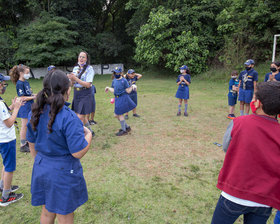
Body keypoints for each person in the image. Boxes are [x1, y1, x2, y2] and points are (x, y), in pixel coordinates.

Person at [26, 70, 92, 223]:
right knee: (64, 214)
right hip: (62, 173)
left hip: (41, 167)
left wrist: (40, 162)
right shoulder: (69, 117)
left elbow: (31, 143)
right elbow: (78, 152)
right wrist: (88, 135)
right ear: (67, 90)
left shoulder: (35, 112)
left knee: (47, 211)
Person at [211, 81, 280, 224]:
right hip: (264, 200)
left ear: (258, 103)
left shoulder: (239, 122)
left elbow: (225, 146)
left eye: (254, 98)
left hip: (234, 194)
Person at [0, 74, 24, 206]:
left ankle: (3, 185)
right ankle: (6, 196)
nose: (4, 86)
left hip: (2, 138)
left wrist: (11, 107)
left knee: (5, 163)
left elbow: (3, 115)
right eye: (3, 83)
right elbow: (9, 122)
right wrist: (17, 109)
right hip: (6, 139)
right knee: (9, 167)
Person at [9, 64, 36, 152]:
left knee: (29, 124)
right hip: (25, 106)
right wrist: (33, 97)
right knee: (24, 125)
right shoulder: (19, 83)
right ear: (21, 73)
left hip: (30, 105)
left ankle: (28, 141)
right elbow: (22, 97)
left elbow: (28, 94)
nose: (28, 74)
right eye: (27, 72)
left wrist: (35, 95)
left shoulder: (26, 82)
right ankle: (22, 144)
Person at [68, 51, 95, 136]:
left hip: (85, 93)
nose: (81, 58)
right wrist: (71, 80)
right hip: (77, 93)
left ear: (87, 59)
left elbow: (88, 84)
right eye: (80, 56)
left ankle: (79, 135)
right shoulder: (75, 68)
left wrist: (75, 78)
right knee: (78, 115)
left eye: (83, 57)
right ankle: (90, 131)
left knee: (80, 117)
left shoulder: (89, 69)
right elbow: (72, 84)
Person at [105, 67, 136, 136]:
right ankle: (127, 127)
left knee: (119, 114)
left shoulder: (124, 80)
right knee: (116, 115)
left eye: (118, 73)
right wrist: (108, 88)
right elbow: (114, 90)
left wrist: (132, 86)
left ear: (121, 73)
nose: (116, 74)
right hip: (117, 99)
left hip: (123, 98)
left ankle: (124, 130)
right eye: (115, 73)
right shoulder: (114, 80)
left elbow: (128, 91)